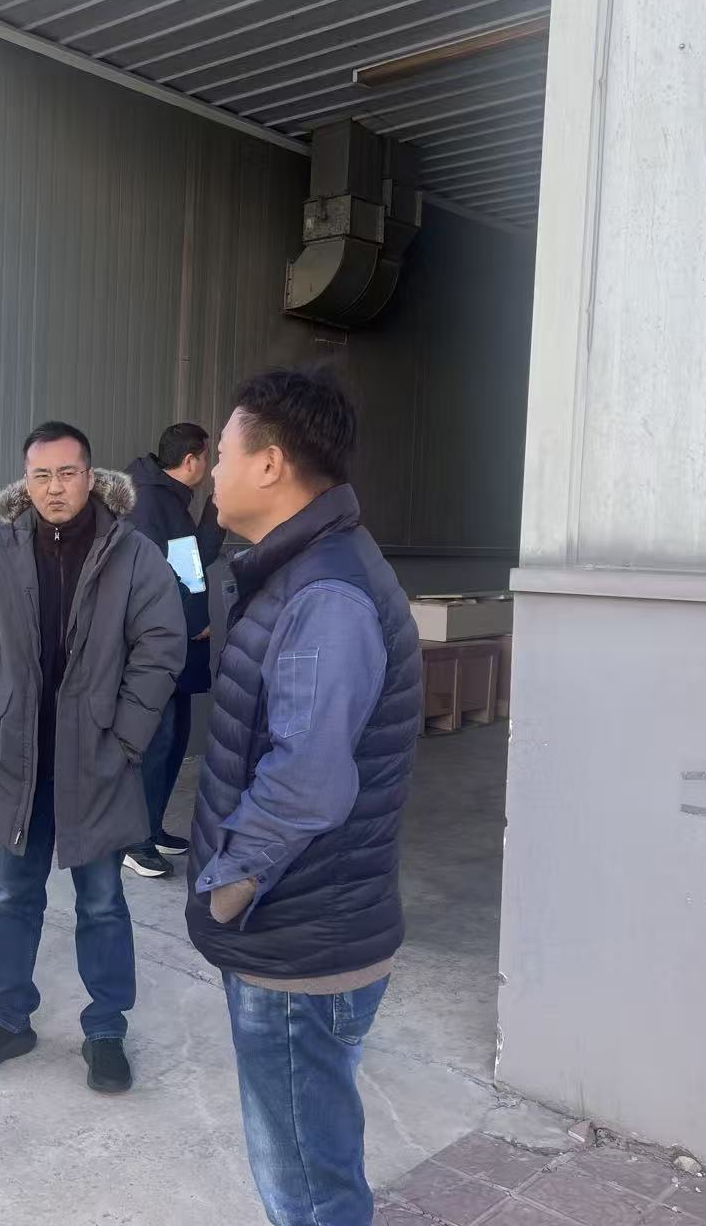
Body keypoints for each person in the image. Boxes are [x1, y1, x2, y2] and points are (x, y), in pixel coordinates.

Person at [186, 367, 422, 1226]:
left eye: (224, 452)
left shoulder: (325, 593)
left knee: (309, 1190)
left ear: (270, 463)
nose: (211, 472)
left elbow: (307, 779)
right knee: (312, 1160)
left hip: (297, 944)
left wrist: (229, 884)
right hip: (306, 930)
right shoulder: (304, 570)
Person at [0, 421, 185, 1094]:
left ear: (90, 476)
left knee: (102, 902)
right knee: (11, 896)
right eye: (41, 475)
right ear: (27, 482)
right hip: (18, 764)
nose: (55, 488)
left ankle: (105, 1029)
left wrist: (125, 737)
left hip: (97, 763)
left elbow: (161, 647)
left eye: (68, 473)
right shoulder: (3, 551)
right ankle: (8, 1018)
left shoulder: (131, 554)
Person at [121, 422, 226, 878]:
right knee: (157, 740)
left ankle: (153, 827)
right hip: (156, 645)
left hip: (179, 640)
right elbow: (155, 579)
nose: (209, 465)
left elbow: (190, 564)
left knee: (176, 736)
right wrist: (189, 622)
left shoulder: (169, 499)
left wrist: (216, 508)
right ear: (191, 460)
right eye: (207, 457)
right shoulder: (149, 502)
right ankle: (134, 840)